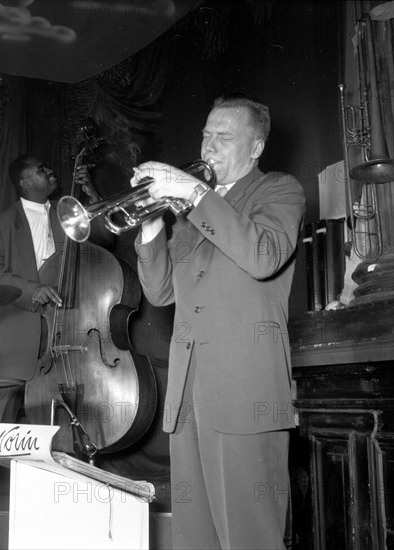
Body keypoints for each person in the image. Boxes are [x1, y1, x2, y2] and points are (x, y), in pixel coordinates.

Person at [131, 93, 306, 550]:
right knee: (196, 538)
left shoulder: (279, 191)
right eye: (206, 135)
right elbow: (161, 292)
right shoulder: (192, 216)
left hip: (247, 393)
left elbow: (261, 255)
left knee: (251, 538)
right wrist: (151, 228)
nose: (209, 146)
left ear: (255, 148)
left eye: (224, 137)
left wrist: (194, 194)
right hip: (189, 396)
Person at [0, 154, 112, 500]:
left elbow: (105, 237)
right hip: (15, 335)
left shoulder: (66, 216)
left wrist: (92, 194)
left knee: (53, 420)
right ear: (23, 181)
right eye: (41, 169)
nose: (51, 170)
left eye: (49, 167)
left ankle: (56, 491)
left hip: (65, 333)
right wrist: (33, 290)